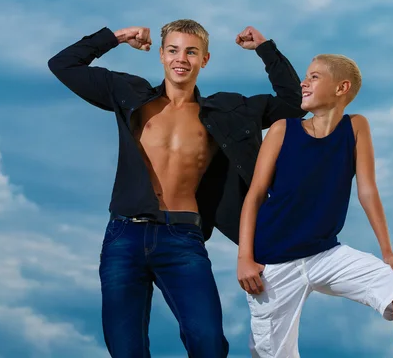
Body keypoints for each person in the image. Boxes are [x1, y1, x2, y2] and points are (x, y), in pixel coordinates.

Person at [48, 20, 305, 358]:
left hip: (182, 237)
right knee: (125, 349)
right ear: (161, 55)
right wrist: (117, 37)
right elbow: (63, 64)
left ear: (205, 59)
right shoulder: (130, 93)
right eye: (173, 50)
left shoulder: (226, 111)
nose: (181, 58)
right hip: (124, 236)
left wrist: (265, 49)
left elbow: (294, 102)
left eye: (191, 52)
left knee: (209, 342)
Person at [237, 54, 393, 357]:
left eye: (314, 76)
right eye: (306, 76)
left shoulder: (356, 127)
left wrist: (387, 251)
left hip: (326, 253)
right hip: (273, 263)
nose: (304, 82)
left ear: (342, 88)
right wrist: (244, 258)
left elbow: (367, 191)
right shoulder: (281, 130)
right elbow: (255, 196)